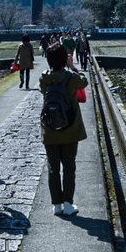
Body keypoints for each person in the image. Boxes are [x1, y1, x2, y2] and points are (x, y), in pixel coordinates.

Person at [38, 44, 88, 217]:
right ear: (64, 59)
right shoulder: (71, 77)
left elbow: (43, 91)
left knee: (53, 168)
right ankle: (68, 204)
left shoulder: (44, 78)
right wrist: (72, 66)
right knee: (69, 167)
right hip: (70, 129)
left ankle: (56, 205)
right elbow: (84, 82)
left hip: (50, 129)